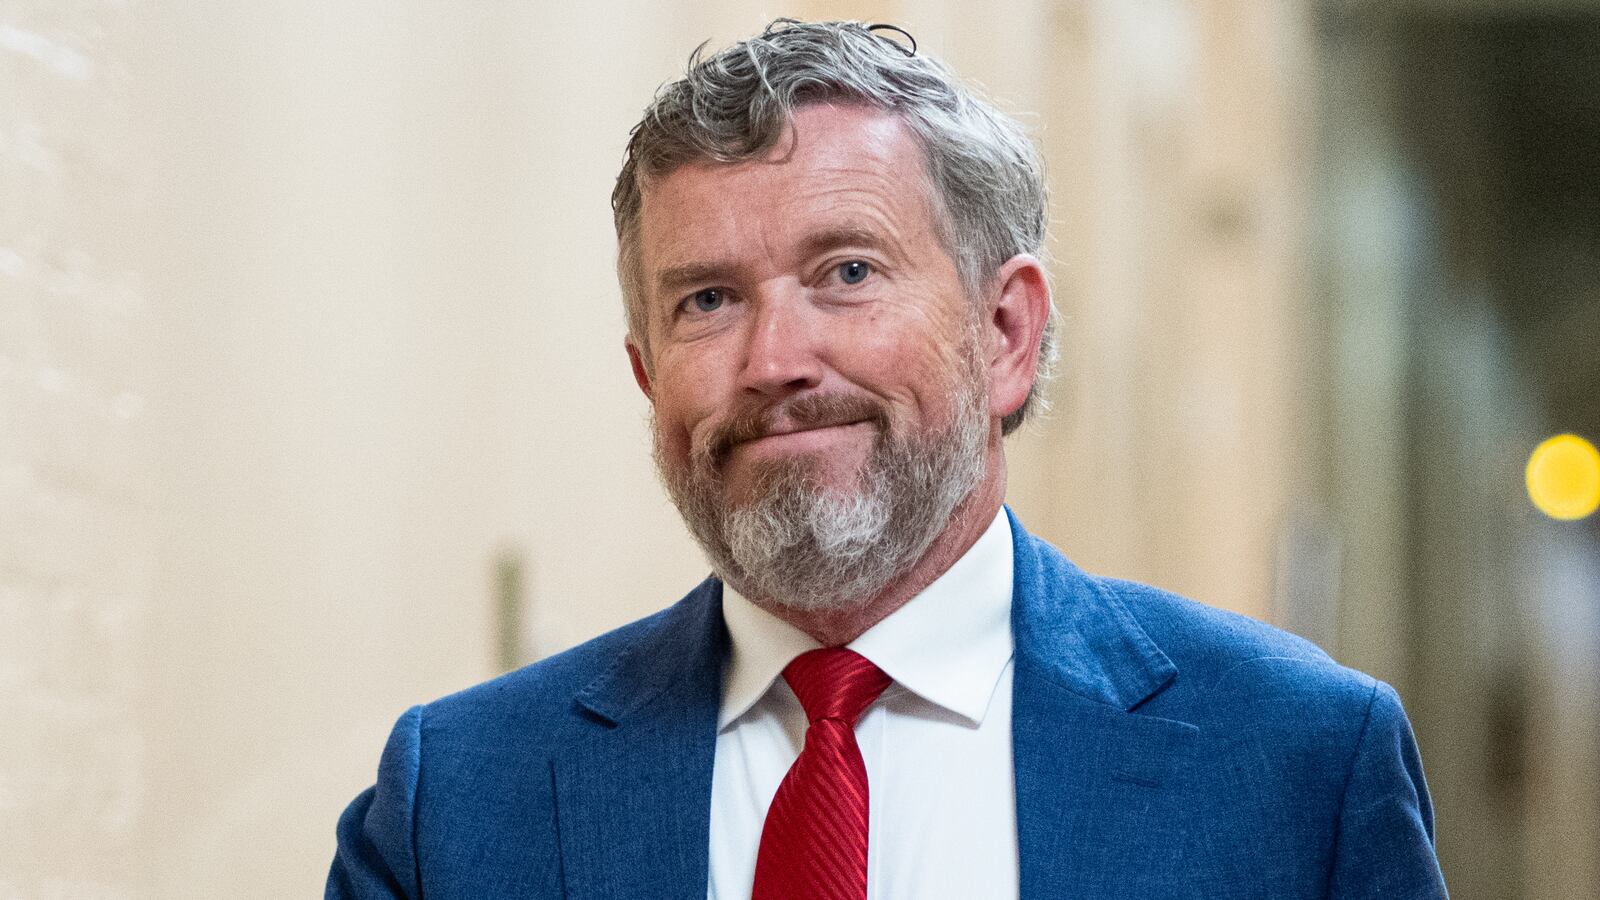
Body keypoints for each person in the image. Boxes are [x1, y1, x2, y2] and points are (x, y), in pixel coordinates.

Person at [327, 19, 1446, 899]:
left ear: (1005, 335)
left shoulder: (1294, 762)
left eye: (847, 272)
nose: (775, 358)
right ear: (647, 374)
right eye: (708, 300)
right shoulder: (460, 801)